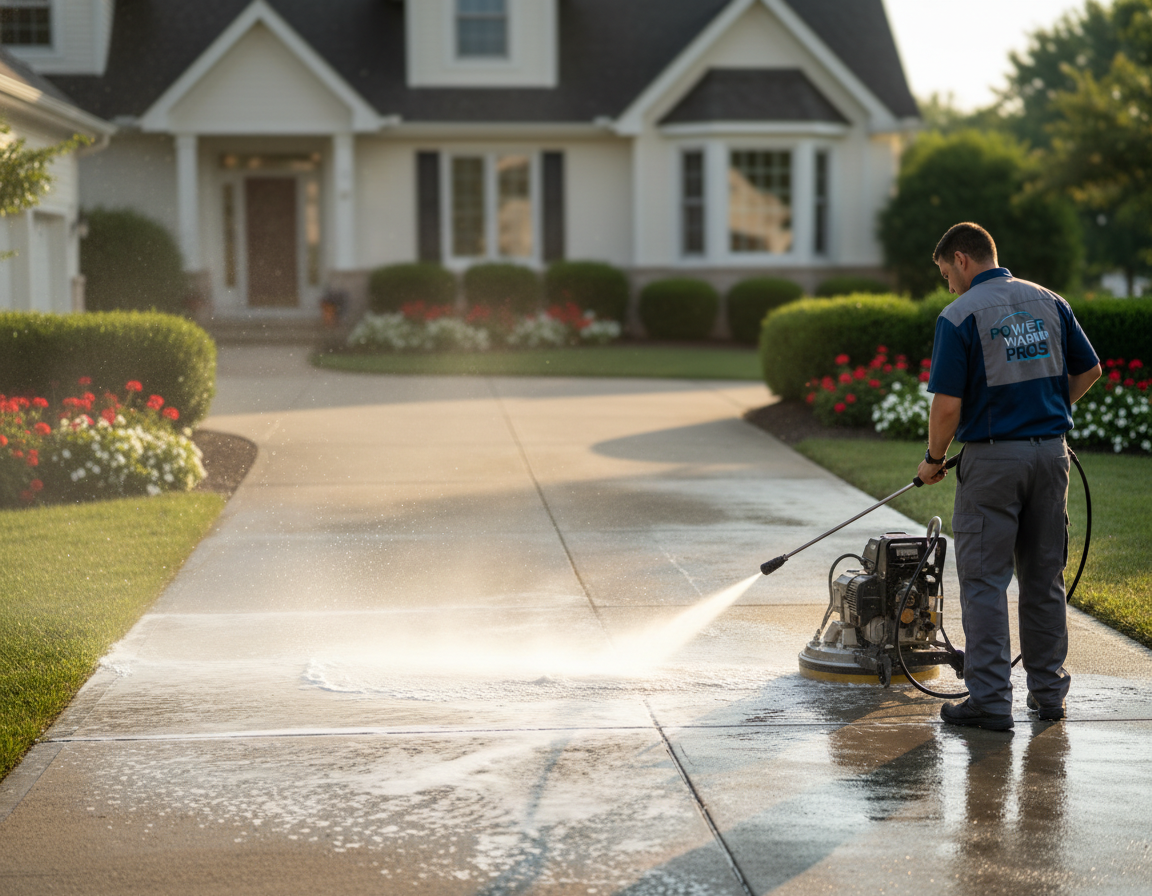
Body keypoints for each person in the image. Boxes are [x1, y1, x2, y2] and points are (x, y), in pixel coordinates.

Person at [916, 222, 1101, 731]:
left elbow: (948, 405)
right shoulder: (1051, 302)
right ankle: (1048, 696)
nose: (947, 285)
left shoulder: (959, 315)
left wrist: (934, 458)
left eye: (945, 273)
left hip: (994, 463)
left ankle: (991, 702)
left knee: (984, 582)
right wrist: (1042, 411)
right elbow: (1089, 371)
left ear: (961, 258)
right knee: (1044, 580)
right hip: (1051, 456)